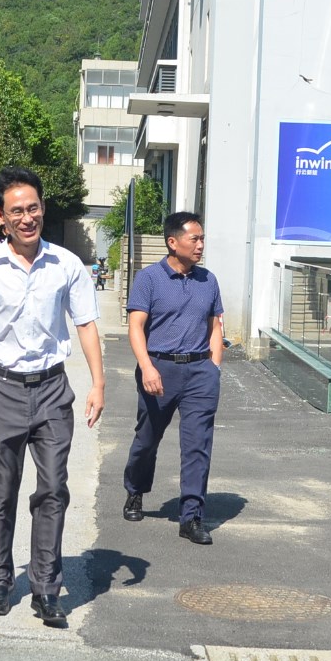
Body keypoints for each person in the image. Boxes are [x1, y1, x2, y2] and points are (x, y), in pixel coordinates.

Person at [0, 167, 105, 627]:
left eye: (33, 208)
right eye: (16, 211)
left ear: (43, 209)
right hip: (0, 388)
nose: (26, 217)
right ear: (1, 216)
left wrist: (98, 384)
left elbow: (86, 324)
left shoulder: (67, 264)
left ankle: (46, 588)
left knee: (53, 489)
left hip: (53, 389)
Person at [120, 211, 225, 545]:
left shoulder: (209, 280)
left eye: (202, 238)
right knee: (147, 439)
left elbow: (215, 326)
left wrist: (214, 367)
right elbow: (136, 326)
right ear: (173, 242)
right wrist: (147, 367)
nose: (200, 245)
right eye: (194, 239)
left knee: (198, 445)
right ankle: (135, 490)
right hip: (159, 369)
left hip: (200, 372)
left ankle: (191, 516)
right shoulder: (149, 278)